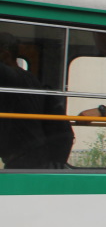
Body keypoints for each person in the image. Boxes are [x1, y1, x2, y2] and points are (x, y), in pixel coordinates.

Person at [0, 32, 73, 168]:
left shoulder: (11, 77)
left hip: (25, 159)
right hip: (32, 154)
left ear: (5, 54)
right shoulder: (29, 78)